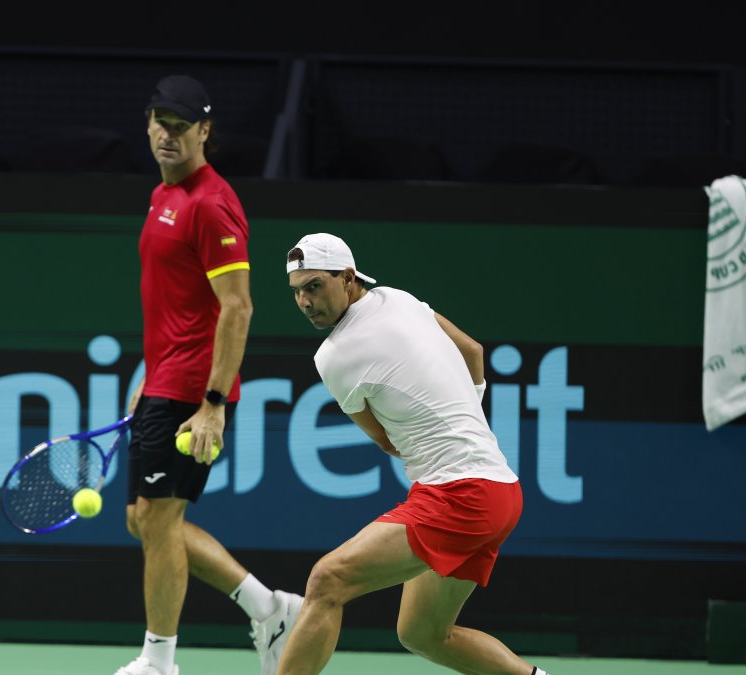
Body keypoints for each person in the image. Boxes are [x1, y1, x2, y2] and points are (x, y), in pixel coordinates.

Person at [277, 232, 551, 675]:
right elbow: (473, 352)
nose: (306, 301)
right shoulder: (398, 298)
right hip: (501, 490)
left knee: (327, 580)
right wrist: (464, 408)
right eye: (297, 292)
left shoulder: (333, 358)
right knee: (423, 633)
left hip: (461, 493)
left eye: (314, 286)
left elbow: (388, 441)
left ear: (346, 278)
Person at [114, 75, 302, 675]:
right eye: (158, 124)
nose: (167, 137)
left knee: (161, 520)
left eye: (180, 127)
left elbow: (238, 307)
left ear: (204, 131)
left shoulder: (211, 204)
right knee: (144, 518)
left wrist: (214, 401)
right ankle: (269, 606)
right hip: (166, 378)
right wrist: (150, 367)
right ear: (147, 124)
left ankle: (158, 662)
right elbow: (177, 302)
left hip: (196, 389)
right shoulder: (162, 195)